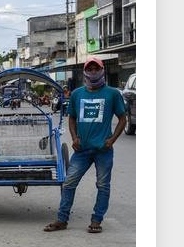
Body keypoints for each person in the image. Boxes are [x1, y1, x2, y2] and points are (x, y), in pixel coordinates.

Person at [43, 57, 127, 234]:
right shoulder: (77, 94)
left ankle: (96, 220)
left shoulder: (112, 94)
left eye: (97, 69)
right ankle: (62, 219)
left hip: (103, 150)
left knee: (103, 185)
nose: (94, 72)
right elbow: (71, 118)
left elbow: (122, 118)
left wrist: (111, 140)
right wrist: (74, 138)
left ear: (102, 71)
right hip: (82, 150)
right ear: (85, 72)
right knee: (68, 183)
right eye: (91, 69)